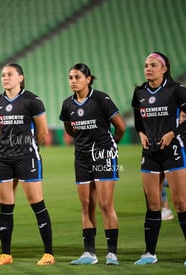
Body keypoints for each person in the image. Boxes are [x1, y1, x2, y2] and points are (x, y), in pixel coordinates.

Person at [131, 52, 186, 266]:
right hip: (150, 153)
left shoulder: (176, 89)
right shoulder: (139, 92)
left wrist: (173, 133)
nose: (148, 68)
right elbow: (138, 122)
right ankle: (150, 254)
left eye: (153, 65)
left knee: (180, 202)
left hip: (174, 152)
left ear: (164, 68)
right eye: (145, 65)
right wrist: (141, 135)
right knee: (153, 204)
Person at [59, 63, 126, 265]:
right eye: (70, 77)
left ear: (88, 79)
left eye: (77, 77)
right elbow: (69, 129)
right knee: (86, 205)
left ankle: (112, 253)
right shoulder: (67, 104)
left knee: (106, 205)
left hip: (103, 155)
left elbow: (120, 127)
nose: (73, 81)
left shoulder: (101, 99)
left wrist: (111, 145)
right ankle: (89, 253)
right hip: (81, 157)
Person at [0, 63, 54, 266]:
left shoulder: (32, 100)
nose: (5, 78)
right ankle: (6, 254)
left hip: (27, 158)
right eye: (2, 75)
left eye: (9, 74)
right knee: (5, 207)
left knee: (37, 204)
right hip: (4, 159)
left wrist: (26, 148)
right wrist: (8, 147)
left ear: (20, 78)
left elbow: (43, 132)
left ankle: (48, 253)